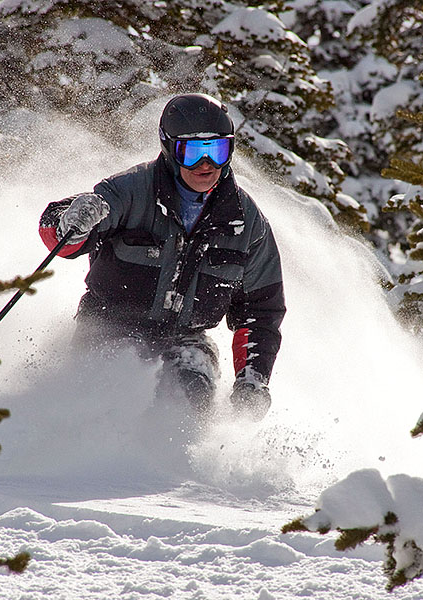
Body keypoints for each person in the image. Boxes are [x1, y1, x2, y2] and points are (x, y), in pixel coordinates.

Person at [38, 93, 286, 420]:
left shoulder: (245, 222)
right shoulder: (130, 192)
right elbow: (61, 236)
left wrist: (252, 378)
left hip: (187, 339)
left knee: (190, 395)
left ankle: (173, 467)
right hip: (109, 327)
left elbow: (261, 310)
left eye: (218, 150)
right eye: (193, 153)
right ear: (170, 149)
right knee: (111, 390)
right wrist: (71, 223)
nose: (206, 165)